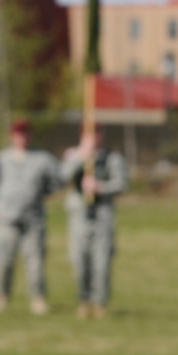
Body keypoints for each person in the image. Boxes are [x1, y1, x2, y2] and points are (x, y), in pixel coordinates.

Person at [0, 119, 59, 315]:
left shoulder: (42, 159)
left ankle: (37, 298)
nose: (21, 138)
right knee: (4, 261)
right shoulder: (1, 159)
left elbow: (56, 182)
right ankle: (2, 296)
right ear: (12, 136)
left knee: (35, 261)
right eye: (17, 134)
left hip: (33, 219)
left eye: (25, 134)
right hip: (7, 219)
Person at [61, 124, 128, 319]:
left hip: (103, 215)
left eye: (96, 133)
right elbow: (62, 176)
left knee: (102, 261)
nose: (93, 138)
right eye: (88, 134)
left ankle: (100, 302)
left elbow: (122, 183)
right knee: (79, 259)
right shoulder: (73, 156)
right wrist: (80, 156)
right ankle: (84, 300)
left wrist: (101, 187)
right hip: (80, 215)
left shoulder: (112, 158)